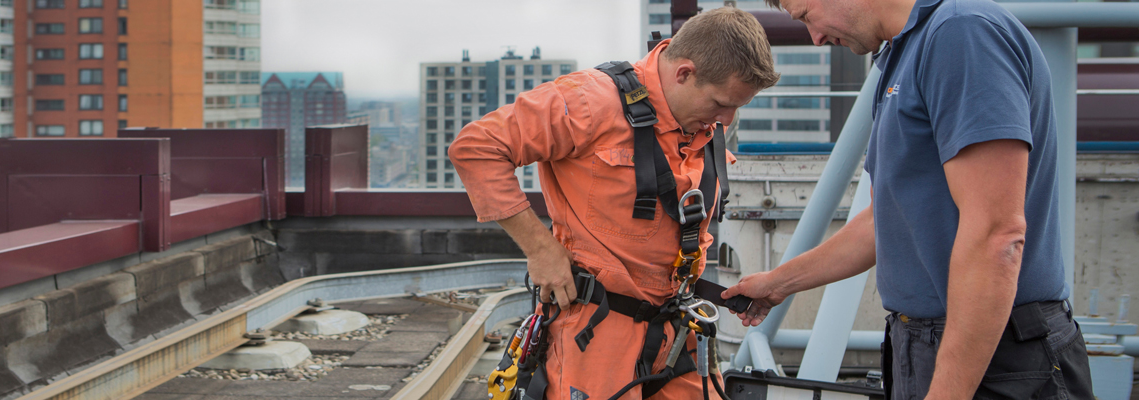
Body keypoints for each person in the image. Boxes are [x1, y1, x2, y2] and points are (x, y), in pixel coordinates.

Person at [720, 0, 1093, 397]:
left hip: (997, 356)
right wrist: (778, 284)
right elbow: (884, 220)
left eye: (806, 17)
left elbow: (997, 234)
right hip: (922, 346)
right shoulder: (902, 55)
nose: (816, 39)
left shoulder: (962, 34)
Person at [451, 7, 779, 399]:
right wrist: (541, 251)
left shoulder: (703, 122)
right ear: (684, 73)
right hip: (598, 334)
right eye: (721, 103)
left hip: (677, 334)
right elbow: (477, 148)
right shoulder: (590, 101)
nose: (726, 118)